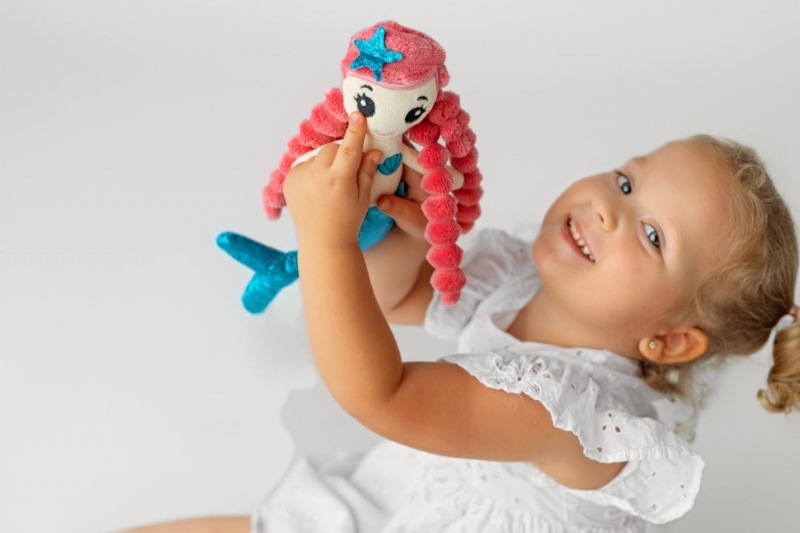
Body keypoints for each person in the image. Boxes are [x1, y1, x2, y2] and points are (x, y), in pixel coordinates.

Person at [122, 114, 800, 532]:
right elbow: (400, 297)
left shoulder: (575, 415)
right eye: (626, 182)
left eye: (652, 236)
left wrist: (325, 239)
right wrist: (395, 220)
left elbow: (383, 395)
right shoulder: (521, 280)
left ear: (669, 341)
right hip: (400, 504)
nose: (607, 209)